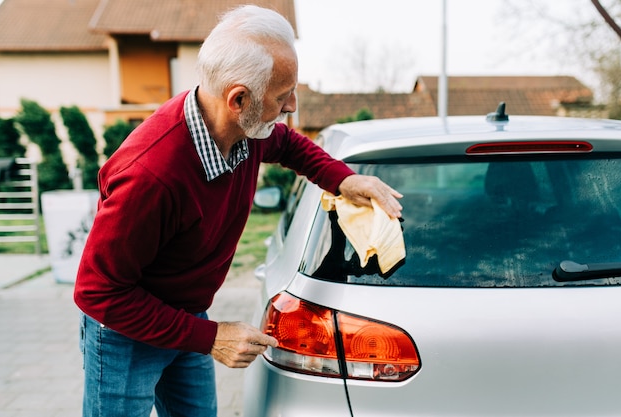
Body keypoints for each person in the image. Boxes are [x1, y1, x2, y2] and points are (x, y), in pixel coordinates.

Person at [74, 5, 403, 417]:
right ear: (239, 99)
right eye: (283, 96)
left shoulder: (246, 130)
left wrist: (342, 180)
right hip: (127, 333)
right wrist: (211, 338)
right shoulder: (150, 176)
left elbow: (288, 144)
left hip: (189, 316)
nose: (291, 106)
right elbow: (97, 291)